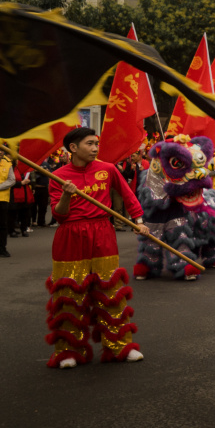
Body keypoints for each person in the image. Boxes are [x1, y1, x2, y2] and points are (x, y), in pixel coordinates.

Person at [47, 127, 152, 368]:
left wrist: (138, 221)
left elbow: (128, 195)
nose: (95, 148)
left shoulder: (108, 169)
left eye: (96, 143)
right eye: (89, 144)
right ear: (73, 148)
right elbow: (60, 215)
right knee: (69, 293)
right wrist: (66, 194)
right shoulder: (58, 175)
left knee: (110, 292)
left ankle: (120, 347)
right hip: (70, 236)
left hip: (102, 233)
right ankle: (68, 351)